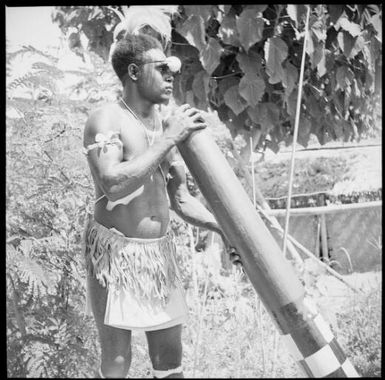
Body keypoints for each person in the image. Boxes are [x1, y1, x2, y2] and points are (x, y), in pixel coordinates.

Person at [83, 32, 239, 379]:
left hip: (159, 256)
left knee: (170, 358)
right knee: (117, 361)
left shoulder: (164, 126)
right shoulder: (106, 119)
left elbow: (181, 199)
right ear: (135, 72)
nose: (172, 74)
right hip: (113, 252)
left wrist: (223, 229)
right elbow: (112, 184)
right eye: (163, 67)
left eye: (173, 68)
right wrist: (170, 138)